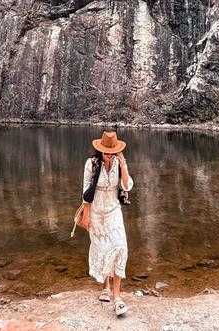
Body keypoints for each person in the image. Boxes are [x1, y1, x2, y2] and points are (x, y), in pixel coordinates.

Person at [80, 130, 134, 317]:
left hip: (113, 212)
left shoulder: (119, 163)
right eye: (106, 152)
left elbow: (127, 186)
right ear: (100, 151)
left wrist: (124, 165)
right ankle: (106, 287)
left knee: (120, 248)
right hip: (96, 213)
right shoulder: (91, 164)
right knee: (102, 250)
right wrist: (86, 216)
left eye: (112, 152)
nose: (109, 155)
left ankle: (118, 298)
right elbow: (86, 193)